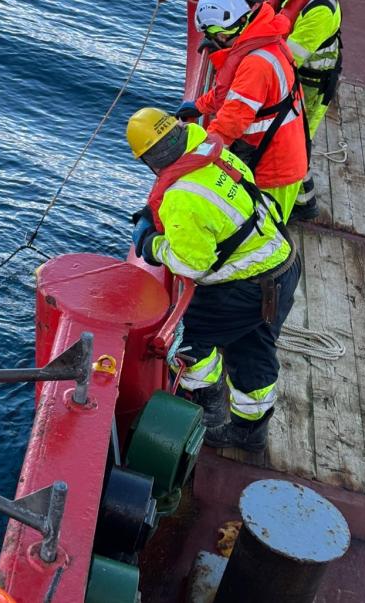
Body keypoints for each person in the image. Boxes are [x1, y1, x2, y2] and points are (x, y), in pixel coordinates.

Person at [127, 107, 301, 452]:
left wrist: (152, 244)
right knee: (253, 350)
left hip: (249, 287)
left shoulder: (181, 197)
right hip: (284, 264)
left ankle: (207, 402)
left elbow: (191, 265)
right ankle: (251, 432)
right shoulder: (216, 154)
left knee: (188, 338)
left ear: (148, 159)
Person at [177, 0, 308, 221]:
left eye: (211, 35)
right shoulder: (265, 42)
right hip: (283, 155)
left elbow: (231, 123)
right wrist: (200, 106)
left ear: (222, 34)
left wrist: (194, 157)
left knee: (266, 234)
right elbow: (233, 95)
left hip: (274, 168)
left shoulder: (255, 65)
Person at [261, 0, 342, 222]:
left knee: (297, 140)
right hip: (298, 78)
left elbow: (290, 54)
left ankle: (301, 205)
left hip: (311, 84)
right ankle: (304, 201)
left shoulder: (319, 8)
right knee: (296, 138)